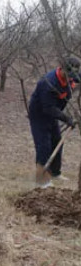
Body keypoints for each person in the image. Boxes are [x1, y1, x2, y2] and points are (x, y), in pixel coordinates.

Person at [28, 56, 79, 188]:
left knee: (57, 141)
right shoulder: (49, 83)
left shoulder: (72, 75)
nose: (70, 78)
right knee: (43, 145)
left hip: (53, 113)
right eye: (68, 75)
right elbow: (48, 108)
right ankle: (41, 178)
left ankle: (55, 172)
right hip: (39, 114)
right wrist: (67, 118)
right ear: (61, 69)